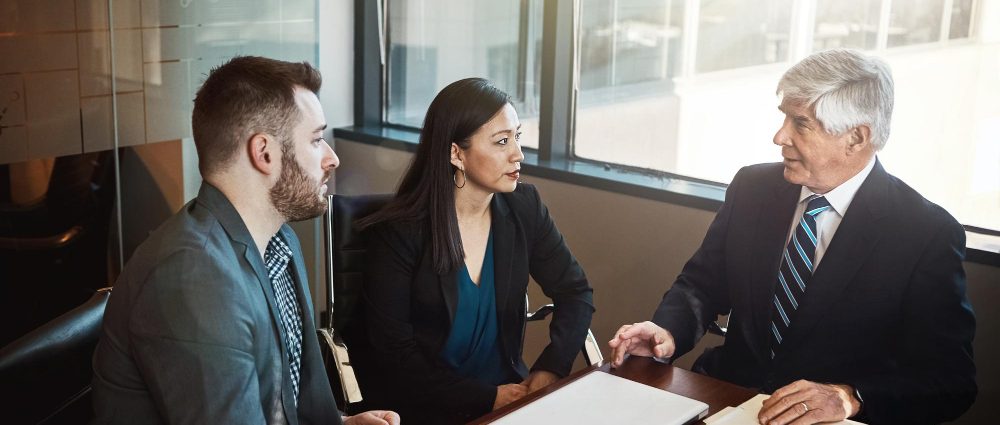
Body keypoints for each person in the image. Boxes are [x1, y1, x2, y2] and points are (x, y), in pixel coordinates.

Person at [609, 49, 976, 425]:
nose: (779, 136)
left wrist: (851, 397)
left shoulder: (924, 233)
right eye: (784, 117)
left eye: (800, 123)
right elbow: (701, 284)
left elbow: (950, 380)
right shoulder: (752, 187)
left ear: (856, 137)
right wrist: (666, 330)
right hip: (729, 398)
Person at [91, 56, 399, 425]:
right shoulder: (195, 278)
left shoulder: (279, 240)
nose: (332, 158)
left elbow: (283, 399)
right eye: (316, 140)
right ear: (264, 153)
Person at [358, 78, 595, 423]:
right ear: (456, 153)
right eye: (501, 142)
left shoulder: (524, 207)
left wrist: (550, 369)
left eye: (517, 137)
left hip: (511, 400)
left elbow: (575, 292)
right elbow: (395, 355)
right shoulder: (400, 232)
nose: (518, 154)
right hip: (427, 408)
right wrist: (488, 397)